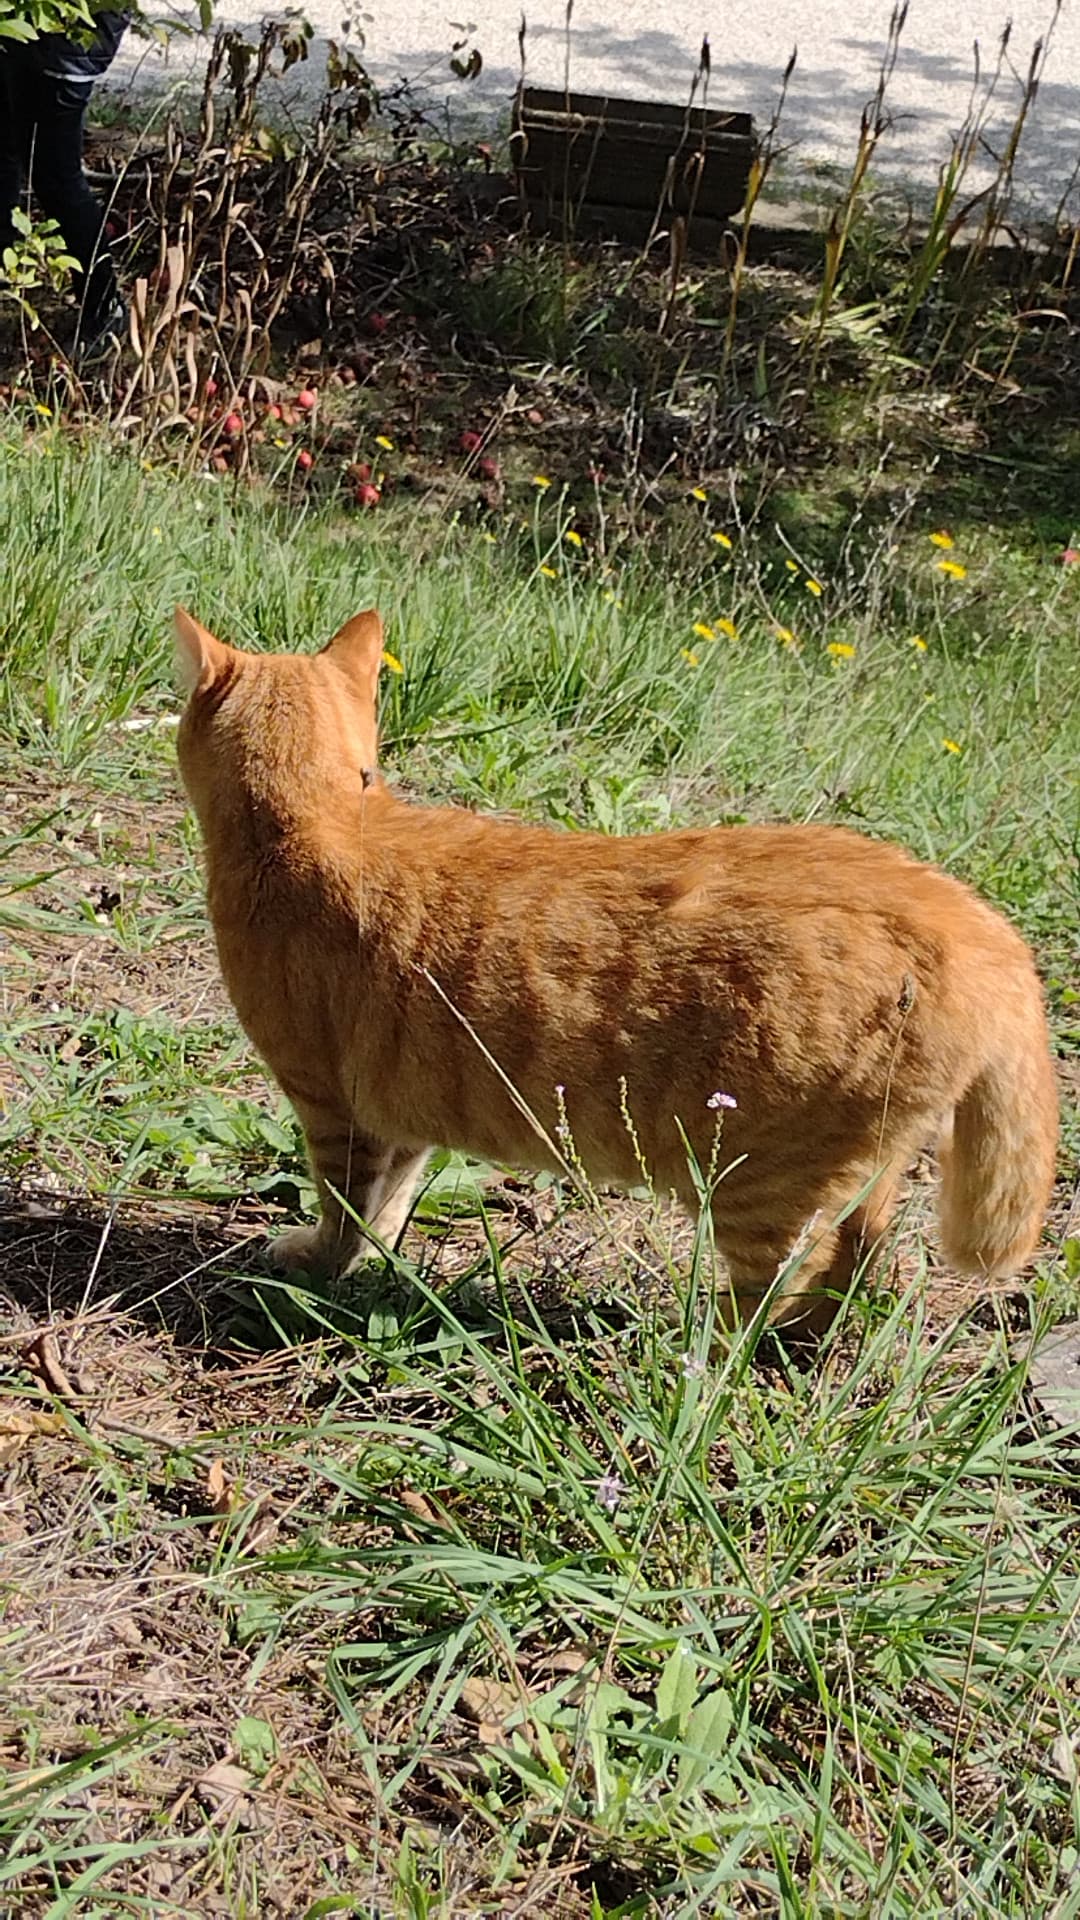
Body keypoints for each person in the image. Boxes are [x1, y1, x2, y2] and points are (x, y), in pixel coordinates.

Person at [0, 8, 129, 360]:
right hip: (24, 32)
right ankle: (5, 267)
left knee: (56, 178)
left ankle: (104, 309)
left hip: (67, 39)